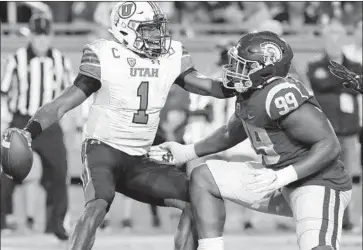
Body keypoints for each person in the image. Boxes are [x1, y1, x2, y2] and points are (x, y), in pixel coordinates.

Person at [2, 2, 236, 250]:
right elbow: (62, 104)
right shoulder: (106, 55)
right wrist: (30, 131)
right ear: (126, 30)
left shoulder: (170, 56)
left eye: (158, 28)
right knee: (98, 204)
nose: (158, 35)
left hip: (140, 157)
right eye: (149, 29)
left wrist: (238, 84)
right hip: (103, 149)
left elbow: (211, 87)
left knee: (197, 196)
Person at [160, 31, 352, 250]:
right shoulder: (251, 92)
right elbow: (231, 132)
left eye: (243, 65)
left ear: (266, 69)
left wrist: (284, 176)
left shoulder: (281, 94)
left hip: (316, 184)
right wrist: (188, 152)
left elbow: (329, 145)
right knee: (203, 177)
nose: (234, 70)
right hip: (273, 178)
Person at [0, 14, 70, 240]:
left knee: (59, 172)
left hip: (49, 122)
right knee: (8, 171)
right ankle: (2, 222)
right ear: (31, 35)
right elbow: (3, 93)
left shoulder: (60, 60)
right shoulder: (16, 59)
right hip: (21, 120)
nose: (41, 40)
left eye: (44, 36)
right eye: (37, 35)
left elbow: (71, 94)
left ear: (50, 37)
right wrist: (4, 121)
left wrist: (72, 122)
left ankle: (56, 224)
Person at [307, 22, 362, 231]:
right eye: (331, 37)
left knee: (349, 177)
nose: (335, 41)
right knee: (325, 176)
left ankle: (347, 220)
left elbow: (357, 86)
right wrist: (345, 81)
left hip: (349, 130)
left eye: (338, 37)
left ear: (344, 40)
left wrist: (338, 82)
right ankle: (324, 219)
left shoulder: (356, 65)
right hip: (325, 132)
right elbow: (319, 84)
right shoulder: (315, 65)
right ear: (325, 40)